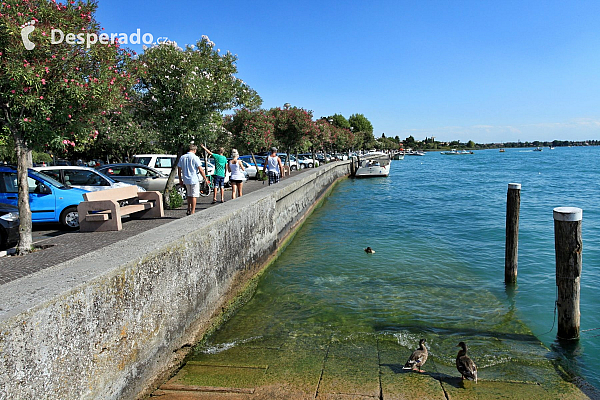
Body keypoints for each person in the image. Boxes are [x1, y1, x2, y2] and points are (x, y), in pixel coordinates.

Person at [177, 144, 208, 215]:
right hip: (194, 178)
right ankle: (193, 210)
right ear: (194, 150)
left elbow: (179, 169)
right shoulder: (195, 157)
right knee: (194, 195)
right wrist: (205, 178)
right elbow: (200, 169)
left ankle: (188, 207)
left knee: (189, 194)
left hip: (185, 178)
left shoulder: (182, 157)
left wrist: (180, 179)